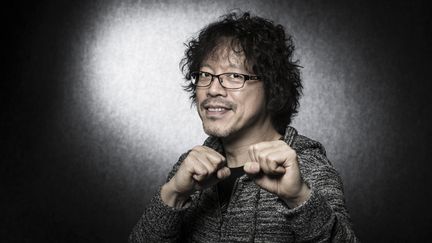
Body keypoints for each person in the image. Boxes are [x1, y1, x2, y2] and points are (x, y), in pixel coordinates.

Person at [129, 11, 358, 242]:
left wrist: (299, 197)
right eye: (205, 75)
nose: (213, 89)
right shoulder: (191, 166)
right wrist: (174, 194)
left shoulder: (306, 167)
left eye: (234, 76)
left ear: (272, 87)